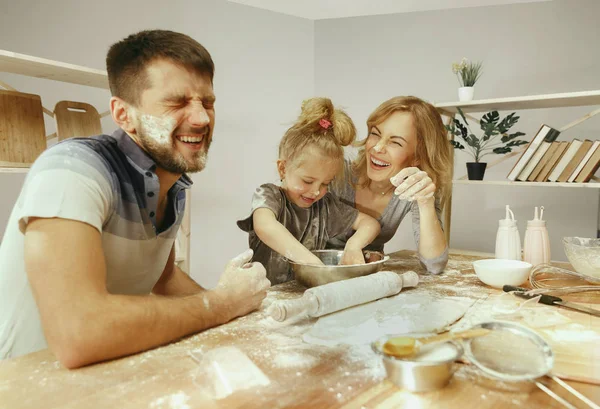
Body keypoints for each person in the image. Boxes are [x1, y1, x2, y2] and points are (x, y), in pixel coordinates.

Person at [0, 30, 270, 368]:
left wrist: (241, 310)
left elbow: (163, 276)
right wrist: (220, 304)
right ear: (123, 114)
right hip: (26, 388)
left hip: (107, 379)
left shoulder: (173, 184)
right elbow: (79, 332)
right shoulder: (72, 171)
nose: (202, 118)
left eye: (208, 102)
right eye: (177, 102)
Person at [237, 98, 381, 284]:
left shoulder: (325, 206)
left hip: (306, 294)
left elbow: (370, 224)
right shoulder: (269, 196)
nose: (315, 192)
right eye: (308, 181)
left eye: (325, 183)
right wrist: (311, 263)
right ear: (283, 169)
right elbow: (265, 226)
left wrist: (353, 246)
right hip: (264, 295)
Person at [327, 96, 452, 274]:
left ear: (418, 156)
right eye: (375, 134)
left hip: (363, 280)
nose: (377, 148)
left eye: (395, 142)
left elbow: (435, 264)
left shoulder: (414, 188)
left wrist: (425, 203)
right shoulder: (336, 172)